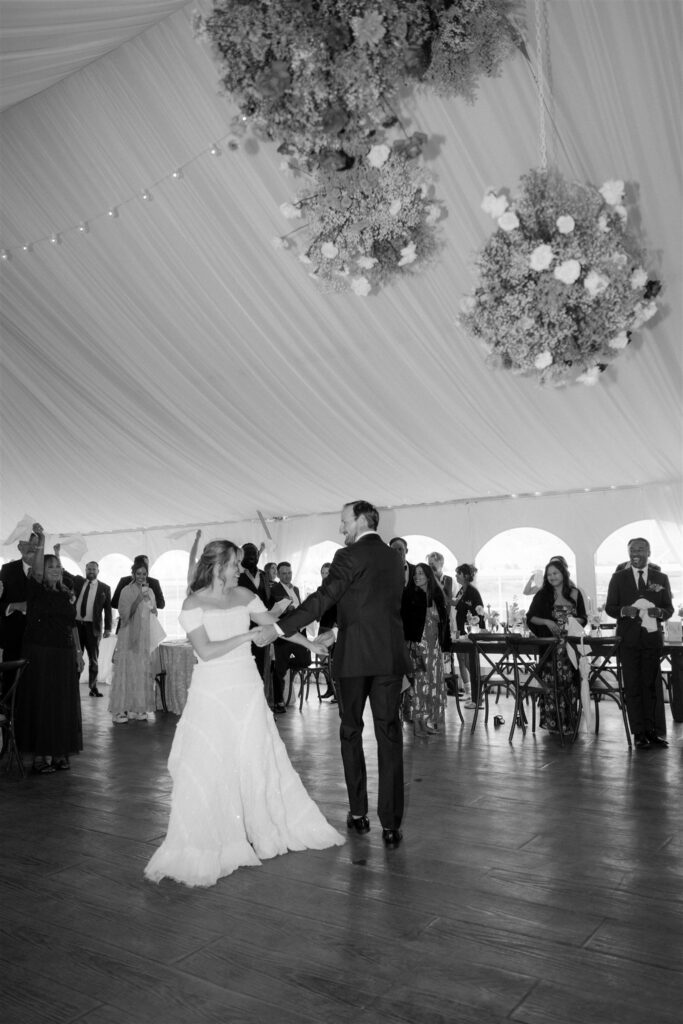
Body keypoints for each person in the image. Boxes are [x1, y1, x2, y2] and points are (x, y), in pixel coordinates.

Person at [144, 539, 344, 887]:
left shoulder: (245, 595)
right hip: (212, 690)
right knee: (211, 759)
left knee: (254, 754)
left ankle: (262, 827)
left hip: (247, 686)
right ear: (217, 565)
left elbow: (277, 628)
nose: (241, 569)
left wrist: (309, 643)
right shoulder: (193, 603)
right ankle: (215, 836)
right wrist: (247, 636)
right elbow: (206, 651)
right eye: (235, 564)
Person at [256, 501, 411, 848]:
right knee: (389, 736)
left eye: (344, 522)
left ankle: (358, 812)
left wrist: (280, 628)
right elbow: (374, 606)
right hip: (388, 657)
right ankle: (391, 825)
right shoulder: (394, 557)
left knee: (351, 731)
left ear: (361, 520)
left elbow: (325, 597)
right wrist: (338, 630)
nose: (341, 529)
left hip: (355, 659)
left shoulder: (347, 556)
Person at [15, 523, 84, 773]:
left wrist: (78, 652)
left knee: (62, 704)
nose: (55, 569)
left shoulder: (66, 593)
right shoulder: (35, 589)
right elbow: (36, 570)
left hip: (63, 653)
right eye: (50, 566)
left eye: (58, 566)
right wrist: (42, 542)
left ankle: (59, 752)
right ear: (42, 570)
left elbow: (71, 625)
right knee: (42, 703)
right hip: (40, 653)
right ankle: (40, 757)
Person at [605, 538, 673, 749]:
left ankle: (652, 731)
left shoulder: (661, 577)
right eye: (632, 550)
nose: (636, 553)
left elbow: (669, 608)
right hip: (628, 640)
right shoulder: (618, 578)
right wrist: (623, 611)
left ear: (649, 552)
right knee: (633, 686)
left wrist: (660, 612)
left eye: (640, 549)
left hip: (651, 640)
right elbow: (610, 607)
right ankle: (638, 733)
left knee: (650, 687)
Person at [526, 560, 587, 734]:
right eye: (549, 574)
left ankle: (569, 723)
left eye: (555, 573)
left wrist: (571, 620)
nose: (552, 577)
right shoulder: (542, 594)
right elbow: (531, 617)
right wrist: (547, 621)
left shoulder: (575, 593)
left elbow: (583, 618)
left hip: (570, 647)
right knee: (551, 684)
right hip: (550, 647)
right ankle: (553, 724)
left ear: (563, 574)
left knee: (569, 683)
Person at [109, 561, 165, 724]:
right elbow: (124, 615)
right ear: (133, 574)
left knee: (140, 671)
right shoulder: (126, 591)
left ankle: (136, 707)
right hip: (128, 635)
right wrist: (138, 599)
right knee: (126, 670)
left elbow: (154, 612)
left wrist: (149, 602)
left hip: (143, 636)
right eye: (138, 573)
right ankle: (119, 710)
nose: (141, 577)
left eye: (144, 574)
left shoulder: (150, 590)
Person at [400, 563, 449, 737]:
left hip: (434, 649)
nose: (417, 576)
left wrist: (446, 647)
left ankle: (425, 722)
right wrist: (409, 644)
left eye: (421, 573)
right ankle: (417, 725)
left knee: (433, 685)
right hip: (418, 648)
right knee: (419, 685)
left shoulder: (437, 596)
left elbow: (445, 624)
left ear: (428, 576)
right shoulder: (409, 595)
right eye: (415, 573)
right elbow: (404, 622)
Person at [0, 530, 40, 690]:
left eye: (36, 544)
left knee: (35, 678)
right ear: (19, 547)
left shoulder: (47, 569)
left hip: (40, 636)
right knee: (10, 678)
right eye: (28, 543)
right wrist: (15, 606)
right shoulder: (7, 570)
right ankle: (8, 702)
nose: (32, 547)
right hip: (12, 636)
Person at [268, 561, 311, 713]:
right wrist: (287, 609)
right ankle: (278, 702)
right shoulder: (274, 589)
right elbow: (273, 611)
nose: (287, 576)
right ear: (279, 575)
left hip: (298, 633)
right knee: (279, 671)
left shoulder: (296, 589)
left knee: (305, 661)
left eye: (289, 573)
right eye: (284, 573)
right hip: (283, 635)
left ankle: (285, 666)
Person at [73, 561, 112, 697]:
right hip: (76, 626)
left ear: (98, 571)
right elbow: (63, 572)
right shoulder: (78, 582)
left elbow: (108, 610)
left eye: (93, 569)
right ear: (85, 570)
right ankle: (73, 687)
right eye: (89, 569)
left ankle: (93, 687)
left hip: (93, 628)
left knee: (93, 659)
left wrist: (108, 628)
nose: (91, 571)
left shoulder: (105, 588)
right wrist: (57, 554)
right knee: (75, 657)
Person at [453, 564, 485, 707]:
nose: (456, 576)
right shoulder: (462, 590)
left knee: (469, 662)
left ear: (465, 575)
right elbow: (455, 602)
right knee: (462, 659)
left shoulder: (473, 591)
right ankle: (471, 693)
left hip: (470, 632)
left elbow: (479, 612)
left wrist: (478, 629)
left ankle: (478, 695)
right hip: (461, 630)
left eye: (458, 573)